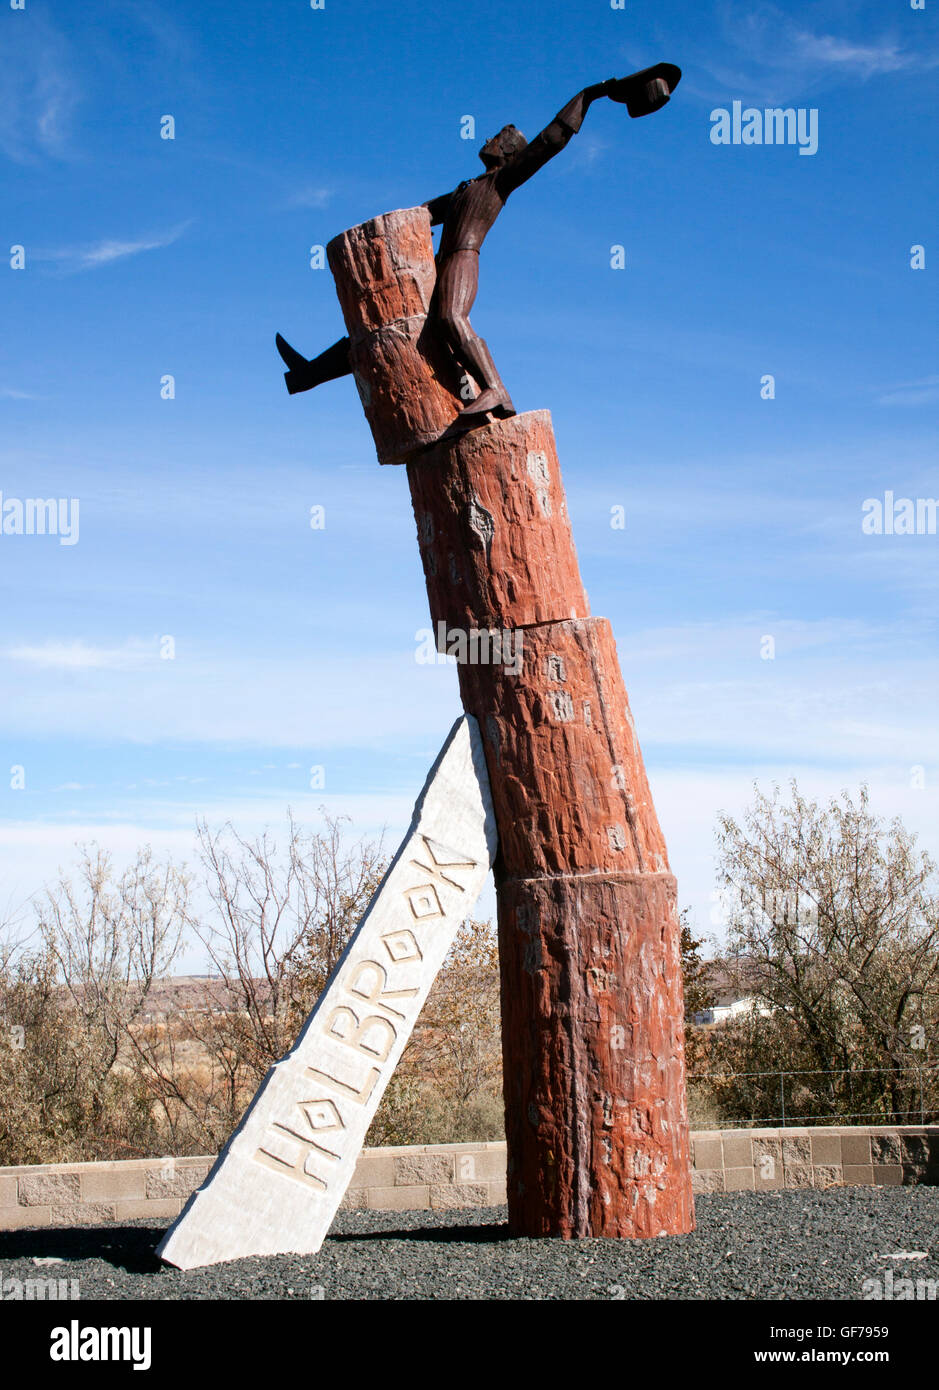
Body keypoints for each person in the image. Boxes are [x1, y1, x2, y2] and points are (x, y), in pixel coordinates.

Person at [276, 68, 679, 417]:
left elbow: (553, 138)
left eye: (501, 135)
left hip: (462, 260)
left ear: (508, 152)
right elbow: (418, 215)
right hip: (437, 263)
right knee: (382, 328)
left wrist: (591, 93)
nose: (490, 138)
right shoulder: (467, 189)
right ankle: (308, 373)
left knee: (451, 318)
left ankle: (496, 389)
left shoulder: (503, 181)